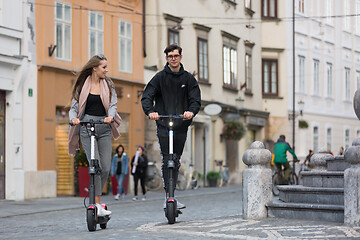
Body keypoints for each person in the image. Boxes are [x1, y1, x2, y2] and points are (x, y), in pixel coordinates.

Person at [141, 44, 201, 209]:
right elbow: (147, 96)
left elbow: (195, 99)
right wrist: (150, 111)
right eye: (170, 56)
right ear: (166, 58)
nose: (173, 59)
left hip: (181, 125)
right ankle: (168, 196)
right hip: (164, 124)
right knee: (167, 158)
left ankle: (172, 194)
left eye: (176, 56)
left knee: (176, 159)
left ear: (180, 57)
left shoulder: (188, 79)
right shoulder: (160, 77)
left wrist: (191, 111)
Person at [68, 54, 121, 216]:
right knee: (94, 166)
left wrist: (110, 116)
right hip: (86, 127)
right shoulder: (82, 86)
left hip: (104, 127)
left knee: (105, 167)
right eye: (104, 67)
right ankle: (96, 203)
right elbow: (73, 108)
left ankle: (98, 202)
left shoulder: (109, 85)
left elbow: (113, 105)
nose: (107, 70)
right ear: (95, 68)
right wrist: (73, 119)